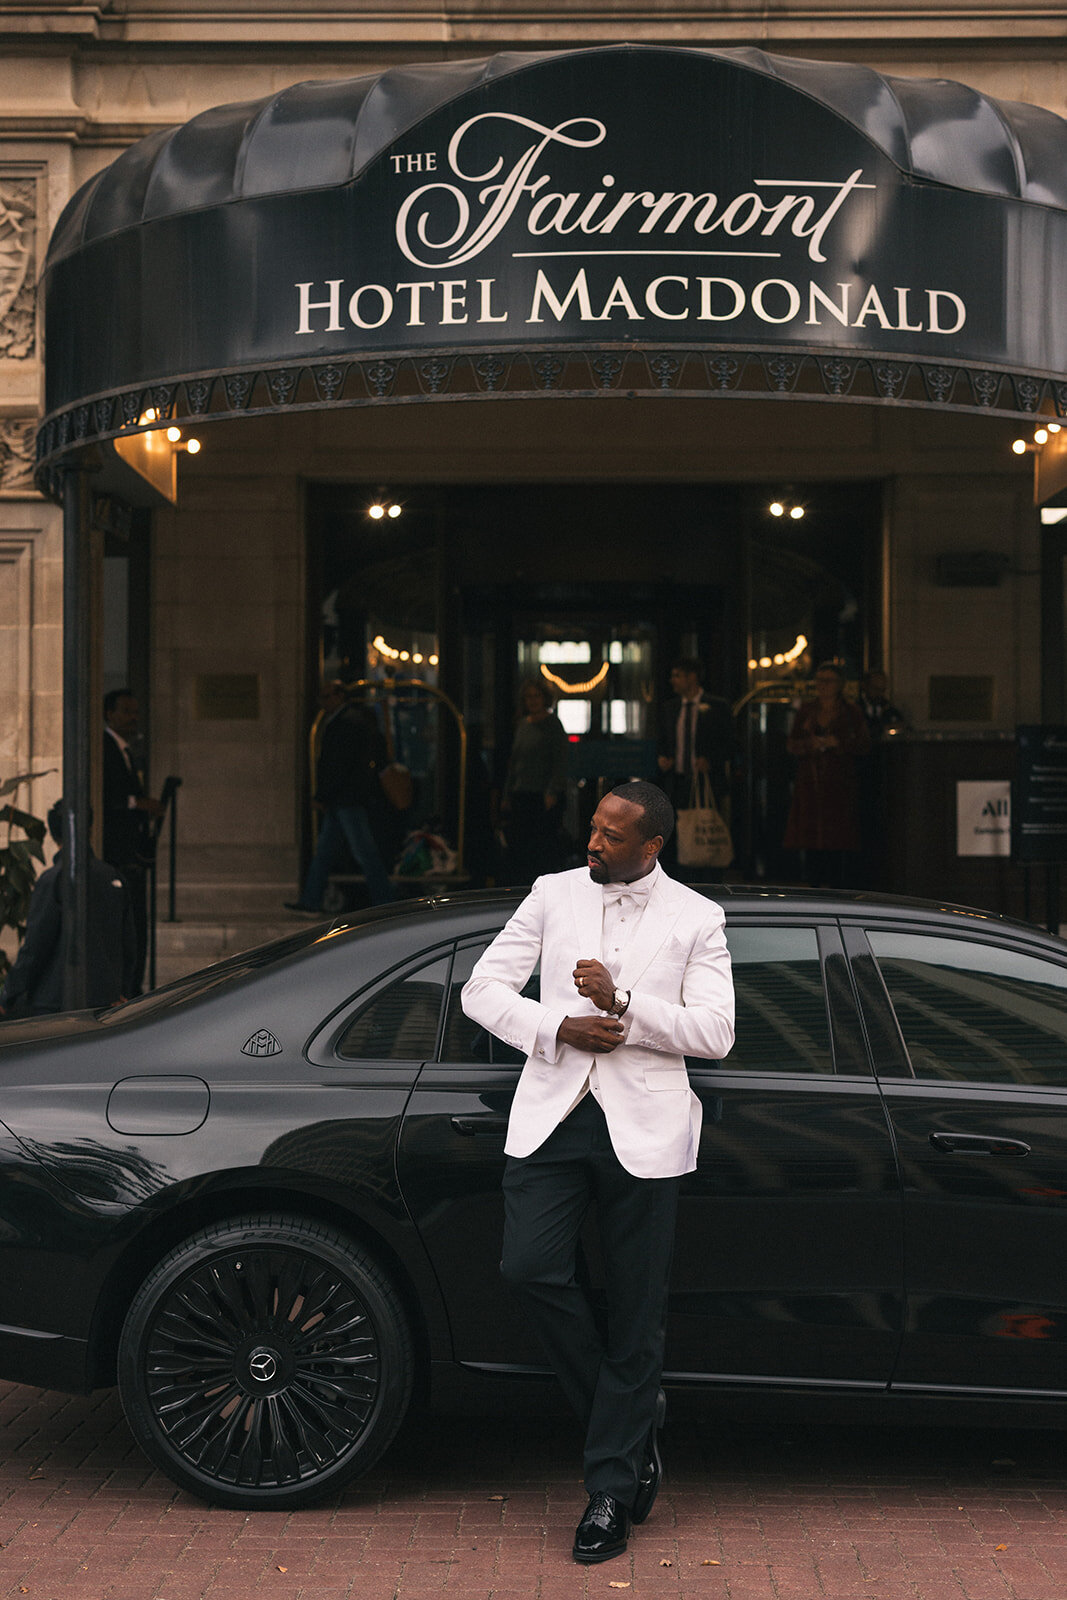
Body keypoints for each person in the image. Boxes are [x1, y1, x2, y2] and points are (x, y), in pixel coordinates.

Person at [461, 779, 734, 1564]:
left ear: (652, 846)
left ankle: (609, 1492)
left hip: (644, 1129)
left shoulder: (696, 916)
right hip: (552, 1114)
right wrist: (558, 1027)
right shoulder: (551, 894)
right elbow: (482, 990)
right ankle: (630, 1419)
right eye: (592, 828)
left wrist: (624, 1004)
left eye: (613, 836)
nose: (593, 843)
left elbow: (715, 1031)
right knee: (529, 1267)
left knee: (636, 1311)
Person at [0, 802, 137, 1015]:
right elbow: (129, 944)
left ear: (54, 835)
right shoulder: (113, 877)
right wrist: (124, 991)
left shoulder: (52, 880)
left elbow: (36, 946)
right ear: (90, 830)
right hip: (106, 1000)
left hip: (54, 1000)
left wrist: (8, 995)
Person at [286, 681, 397, 911]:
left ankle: (385, 902)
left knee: (362, 852)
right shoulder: (347, 721)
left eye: (326, 697)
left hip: (347, 799)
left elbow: (338, 766)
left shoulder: (346, 723)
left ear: (339, 697)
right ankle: (311, 899)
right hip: (344, 799)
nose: (322, 703)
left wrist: (323, 795)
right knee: (328, 852)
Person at [783, 661, 871, 888]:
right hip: (811, 784)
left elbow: (864, 744)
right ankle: (814, 884)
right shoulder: (807, 710)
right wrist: (810, 744)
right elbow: (791, 743)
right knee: (812, 838)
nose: (823, 686)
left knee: (839, 839)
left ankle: (838, 886)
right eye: (819, 681)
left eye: (828, 681)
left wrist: (838, 743)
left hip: (839, 785)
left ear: (840, 684)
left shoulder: (851, 712)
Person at [103, 688, 164, 995]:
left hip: (131, 851)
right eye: (126, 711)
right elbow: (107, 796)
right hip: (118, 853)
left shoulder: (125, 750)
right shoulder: (105, 747)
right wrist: (138, 803)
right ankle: (127, 987)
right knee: (127, 927)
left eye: (135, 712)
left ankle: (133, 985)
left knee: (137, 926)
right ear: (109, 714)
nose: (133, 718)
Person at [656, 657, 735, 878]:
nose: (672, 681)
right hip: (677, 780)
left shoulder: (717, 706)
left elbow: (730, 743)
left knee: (705, 829)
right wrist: (664, 759)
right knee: (677, 832)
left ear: (692, 677)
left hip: (706, 781)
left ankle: (709, 873)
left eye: (677, 676)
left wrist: (711, 760)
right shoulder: (670, 708)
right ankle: (679, 875)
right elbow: (663, 740)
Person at [501, 677, 569, 884]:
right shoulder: (522, 724)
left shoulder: (552, 724)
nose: (532, 701)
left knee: (541, 846)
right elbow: (514, 762)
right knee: (520, 847)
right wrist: (507, 794)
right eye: (528, 697)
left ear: (545, 698)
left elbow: (560, 761)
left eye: (536, 696)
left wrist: (552, 791)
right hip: (521, 793)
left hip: (541, 795)